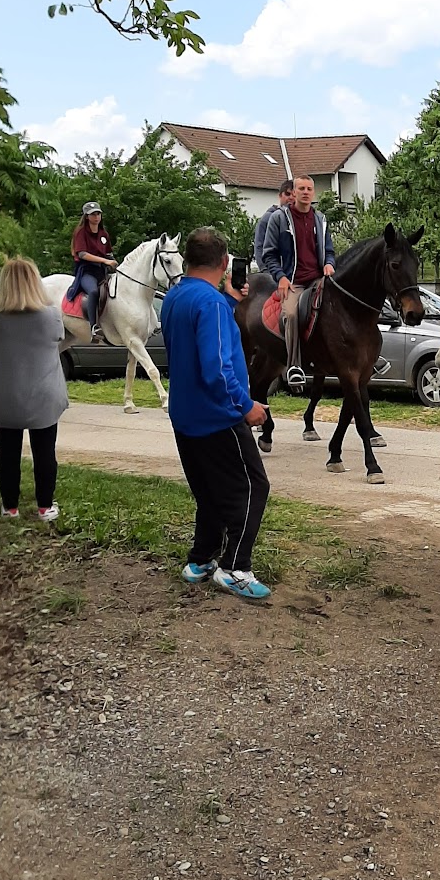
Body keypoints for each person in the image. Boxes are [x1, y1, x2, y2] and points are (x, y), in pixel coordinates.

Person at [159, 226, 272, 601]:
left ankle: (201, 559)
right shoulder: (209, 303)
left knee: (208, 492)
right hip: (218, 416)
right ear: (225, 263)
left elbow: (194, 341)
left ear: (188, 260)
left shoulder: (176, 297)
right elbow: (217, 368)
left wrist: (229, 302)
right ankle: (235, 567)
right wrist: (246, 406)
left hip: (186, 415)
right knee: (253, 486)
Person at [0, 257, 68, 521]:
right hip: (44, 395)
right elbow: (59, 338)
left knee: (6, 452)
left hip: (4, 395)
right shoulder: (51, 314)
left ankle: (10, 507)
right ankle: (44, 507)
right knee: (44, 452)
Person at [258, 175, 336, 387]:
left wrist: (329, 263)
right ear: (293, 193)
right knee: (291, 314)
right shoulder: (279, 219)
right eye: (301, 188)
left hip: (319, 280)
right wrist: (281, 277)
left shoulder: (320, 219)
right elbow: (268, 254)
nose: (305, 192)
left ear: (314, 192)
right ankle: (294, 366)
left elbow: (329, 251)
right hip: (294, 282)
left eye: (309, 188)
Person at [69, 201, 117, 338]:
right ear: (86, 217)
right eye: (93, 214)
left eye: (98, 214)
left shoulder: (103, 234)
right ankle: (93, 327)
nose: (96, 217)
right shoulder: (81, 233)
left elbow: (108, 253)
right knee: (94, 291)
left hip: (102, 271)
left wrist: (114, 262)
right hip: (86, 272)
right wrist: (104, 260)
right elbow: (82, 254)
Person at [254, 178, 295, 271]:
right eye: (287, 194)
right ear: (280, 195)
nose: (291, 198)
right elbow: (259, 246)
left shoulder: (297, 219)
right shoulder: (267, 218)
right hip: (272, 273)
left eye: (294, 195)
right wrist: (265, 269)